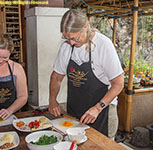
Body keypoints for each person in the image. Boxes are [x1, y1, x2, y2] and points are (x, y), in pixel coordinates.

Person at [48, 9, 124, 138]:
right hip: (76, 111)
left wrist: (98, 108)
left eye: (74, 38)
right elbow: (56, 77)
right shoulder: (66, 47)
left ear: (85, 27)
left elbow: (118, 84)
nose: (71, 42)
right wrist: (52, 100)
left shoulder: (103, 45)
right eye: (67, 38)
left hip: (102, 113)